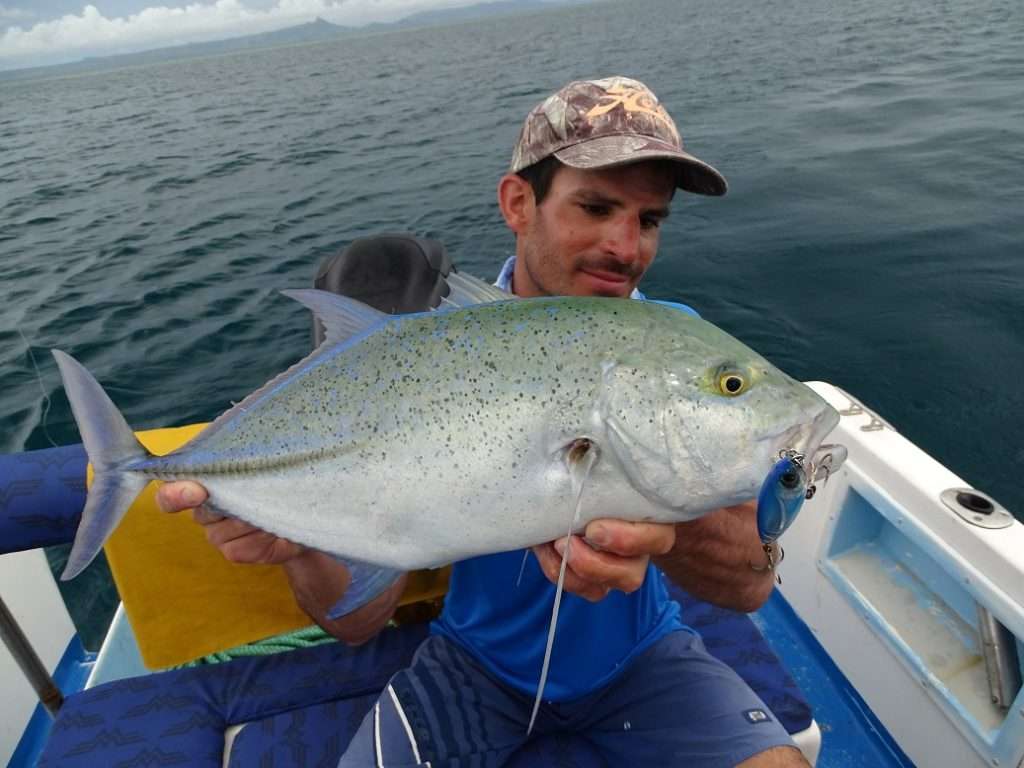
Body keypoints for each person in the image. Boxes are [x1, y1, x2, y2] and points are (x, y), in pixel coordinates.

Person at [157, 76, 808, 767]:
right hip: (474, 667)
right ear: (518, 203)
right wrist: (298, 544)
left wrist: (667, 522)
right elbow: (356, 623)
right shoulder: (424, 356)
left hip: (644, 660)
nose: (626, 247)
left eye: (649, 220)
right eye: (595, 207)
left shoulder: (675, 343)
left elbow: (750, 585)